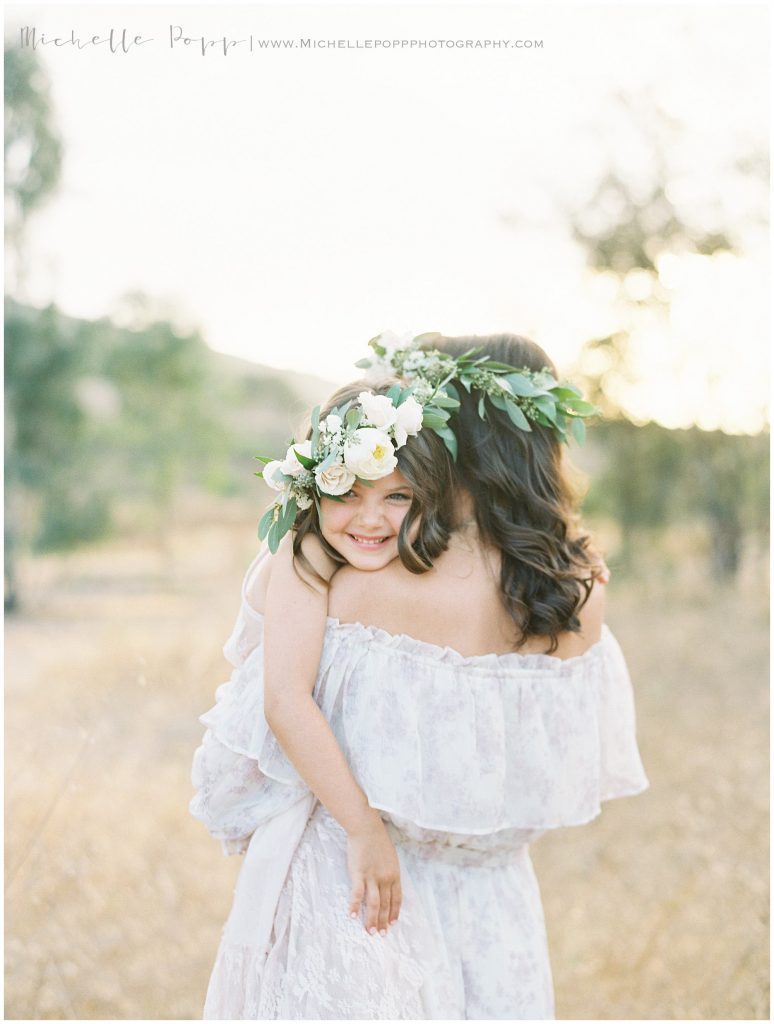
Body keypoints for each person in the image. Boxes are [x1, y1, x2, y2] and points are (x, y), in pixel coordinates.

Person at [189, 331, 648, 1019]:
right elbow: (550, 771)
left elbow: (264, 730)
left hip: (361, 888)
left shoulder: (351, 576)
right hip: (496, 905)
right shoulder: (581, 590)